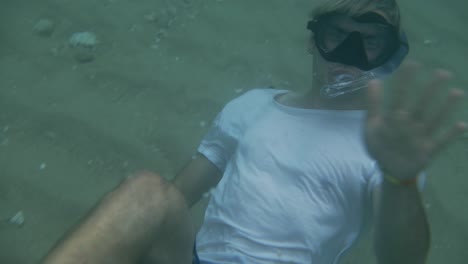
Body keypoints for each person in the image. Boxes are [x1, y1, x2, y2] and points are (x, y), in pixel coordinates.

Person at [42, 0, 466, 263]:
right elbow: (175, 198)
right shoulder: (252, 106)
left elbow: (403, 258)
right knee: (146, 192)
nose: (349, 55)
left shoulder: (385, 142)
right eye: (338, 35)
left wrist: (401, 177)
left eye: (371, 41)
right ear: (313, 40)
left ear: (388, 55)